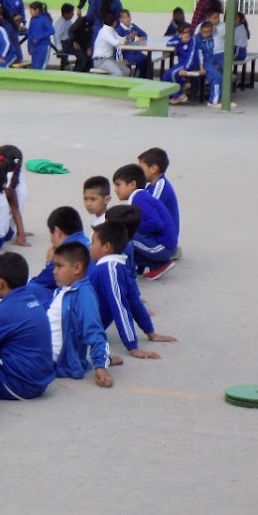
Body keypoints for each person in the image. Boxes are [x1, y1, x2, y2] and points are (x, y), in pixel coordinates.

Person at [89, 222, 177, 362]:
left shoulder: (110, 268)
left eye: (93, 243)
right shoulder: (113, 268)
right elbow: (127, 304)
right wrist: (140, 340)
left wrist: (137, 342)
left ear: (106, 247)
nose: (90, 247)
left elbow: (126, 305)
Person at [0, 253, 55, 400]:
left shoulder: (8, 311)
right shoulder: (30, 298)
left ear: (0, 282)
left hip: (20, 384)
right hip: (39, 379)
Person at [48, 243, 112, 387]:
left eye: (59, 266)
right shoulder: (63, 290)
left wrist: (101, 365)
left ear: (77, 268)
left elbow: (95, 331)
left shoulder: (84, 295)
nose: (54, 271)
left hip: (53, 361)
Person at [113, 164, 177, 279]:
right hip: (164, 245)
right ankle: (139, 266)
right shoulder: (141, 197)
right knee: (129, 233)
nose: (115, 189)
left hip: (163, 248)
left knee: (125, 235)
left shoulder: (139, 199)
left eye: (118, 185)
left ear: (132, 184)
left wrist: (133, 226)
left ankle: (159, 264)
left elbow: (156, 223)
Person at [28, 206, 92, 308]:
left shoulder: (65, 251)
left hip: (75, 300)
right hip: (88, 296)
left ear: (57, 232)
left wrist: (49, 263)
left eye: (51, 234)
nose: (51, 239)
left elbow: (44, 281)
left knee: (23, 289)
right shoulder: (86, 242)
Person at [138, 147, 180, 236]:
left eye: (141, 169)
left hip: (162, 239)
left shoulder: (160, 187)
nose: (138, 173)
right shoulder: (150, 187)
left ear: (153, 169)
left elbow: (147, 210)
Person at [163, 23, 201, 105]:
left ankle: (179, 95)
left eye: (188, 33)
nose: (186, 35)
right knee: (165, 76)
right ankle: (182, 86)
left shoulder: (193, 40)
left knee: (173, 73)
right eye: (183, 33)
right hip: (181, 63)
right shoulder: (178, 38)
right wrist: (180, 41)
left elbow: (191, 56)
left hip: (190, 64)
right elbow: (169, 43)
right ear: (179, 33)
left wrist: (185, 68)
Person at [92, 12, 133, 77]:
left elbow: (119, 39)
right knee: (118, 73)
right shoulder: (104, 31)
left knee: (126, 71)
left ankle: (121, 86)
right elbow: (115, 43)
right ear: (114, 22)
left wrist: (127, 38)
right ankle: (110, 85)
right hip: (101, 60)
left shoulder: (111, 30)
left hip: (109, 59)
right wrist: (123, 42)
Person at [27, 1, 55, 70]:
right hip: (34, 48)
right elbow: (30, 33)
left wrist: (39, 38)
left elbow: (51, 30)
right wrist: (29, 46)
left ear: (37, 10)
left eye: (31, 10)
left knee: (39, 68)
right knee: (34, 67)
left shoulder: (44, 19)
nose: (30, 12)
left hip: (43, 47)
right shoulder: (32, 19)